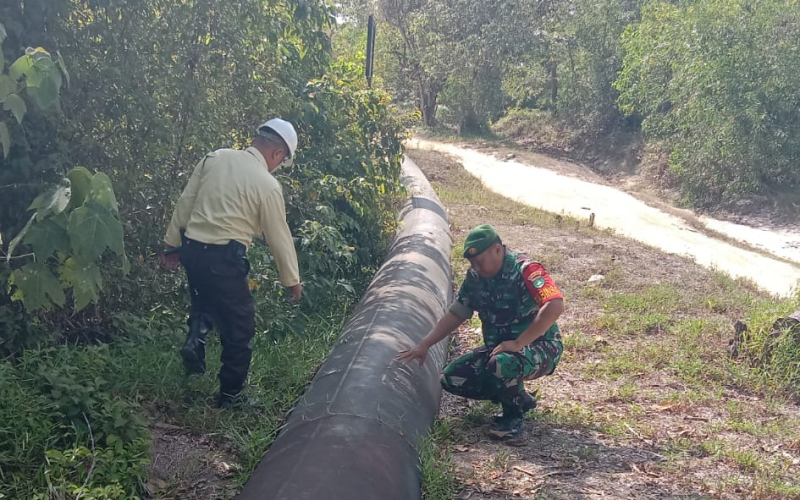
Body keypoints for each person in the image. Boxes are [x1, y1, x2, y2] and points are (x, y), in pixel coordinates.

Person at [161, 118, 303, 409]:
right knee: (240, 328)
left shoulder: (215, 158)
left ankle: (196, 338)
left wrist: (171, 247)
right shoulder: (267, 185)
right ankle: (231, 397)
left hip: (193, 252)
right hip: (225, 260)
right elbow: (279, 237)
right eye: (281, 161)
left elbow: (185, 202)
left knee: (205, 303)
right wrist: (292, 280)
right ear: (278, 154)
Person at [396, 224, 564, 439]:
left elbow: (554, 305)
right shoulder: (476, 278)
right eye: (472, 263)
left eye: (480, 261)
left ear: (497, 249)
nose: (476, 267)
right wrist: (425, 344)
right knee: (452, 378)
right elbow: (458, 312)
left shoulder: (526, 270)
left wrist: (520, 342)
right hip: (500, 350)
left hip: (540, 346)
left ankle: (513, 417)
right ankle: (519, 398)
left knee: (502, 364)